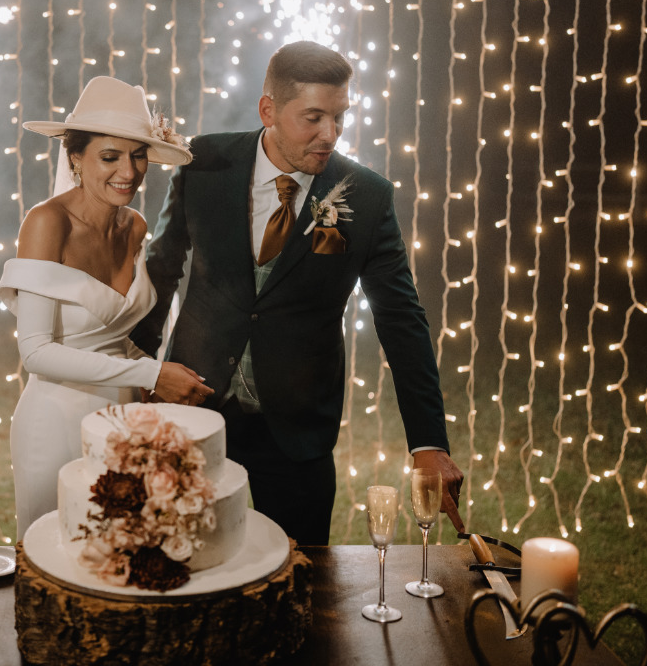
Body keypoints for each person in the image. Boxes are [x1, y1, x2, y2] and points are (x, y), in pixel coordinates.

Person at [131, 41, 465, 546]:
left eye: (339, 117)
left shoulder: (368, 196)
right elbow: (162, 269)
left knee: (301, 575)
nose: (330, 134)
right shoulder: (204, 163)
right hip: (193, 406)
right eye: (313, 118)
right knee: (180, 560)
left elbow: (401, 318)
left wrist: (428, 443)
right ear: (268, 110)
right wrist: (143, 368)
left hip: (297, 429)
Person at [0, 76, 213, 540]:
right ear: (75, 157)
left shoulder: (134, 226)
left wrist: (158, 374)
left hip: (123, 415)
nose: (128, 172)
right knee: (56, 550)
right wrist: (151, 374)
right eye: (110, 157)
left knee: (121, 548)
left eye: (139, 155)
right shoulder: (47, 222)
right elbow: (35, 352)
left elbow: (110, 336)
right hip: (55, 420)